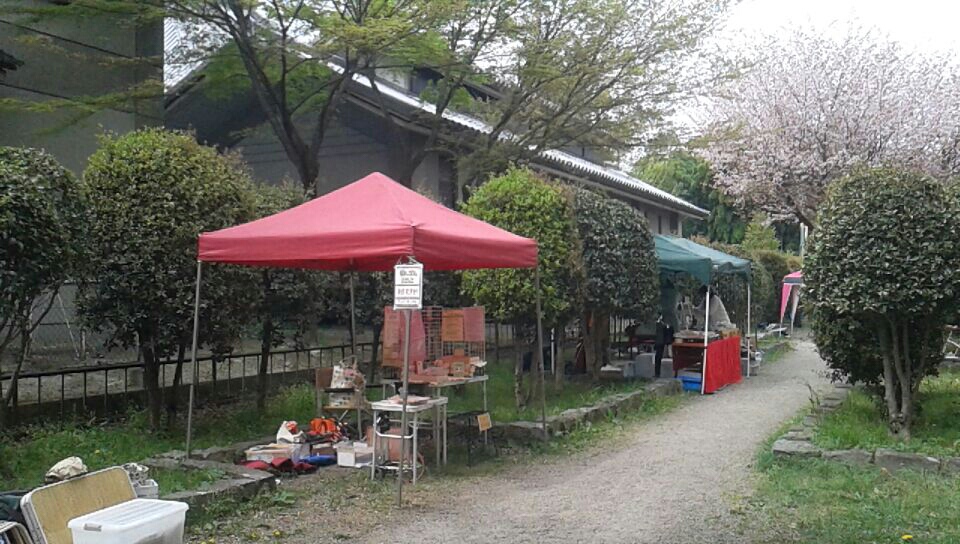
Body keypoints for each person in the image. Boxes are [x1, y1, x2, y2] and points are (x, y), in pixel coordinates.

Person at [653, 314, 673, 378]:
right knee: (658, 358)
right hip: (660, 343)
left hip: (659, 343)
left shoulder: (660, 325)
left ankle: (657, 373)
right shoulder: (662, 325)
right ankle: (657, 373)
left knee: (658, 358)